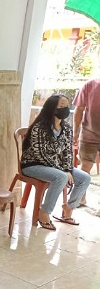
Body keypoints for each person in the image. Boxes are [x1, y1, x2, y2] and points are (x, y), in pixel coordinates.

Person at [21, 95, 91, 230]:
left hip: (56, 166)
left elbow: (68, 152)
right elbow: (40, 154)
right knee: (61, 177)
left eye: (67, 106)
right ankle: (44, 213)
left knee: (85, 178)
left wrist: (68, 169)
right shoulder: (39, 128)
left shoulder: (67, 129)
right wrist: (63, 171)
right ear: (52, 108)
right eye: (62, 106)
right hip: (33, 164)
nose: (65, 109)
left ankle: (69, 208)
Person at [73, 77, 100, 205]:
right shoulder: (89, 85)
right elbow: (79, 109)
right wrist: (75, 132)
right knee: (85, 167)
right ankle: (80, 198)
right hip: (89, 133)